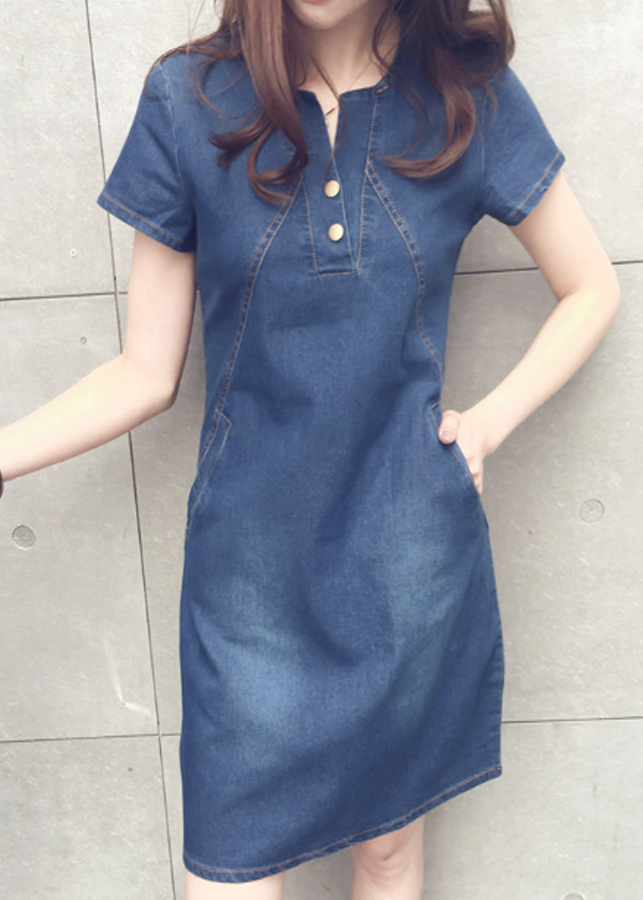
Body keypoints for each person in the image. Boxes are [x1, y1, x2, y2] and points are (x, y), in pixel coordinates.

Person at [0, 0, 621, 898]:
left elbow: (591, 288)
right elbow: (144, 372)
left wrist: (485, 424)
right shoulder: (188, 98)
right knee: (229, 868)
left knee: (388, 855)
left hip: (405, 564)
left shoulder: (464, 92)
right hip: (243, 577)